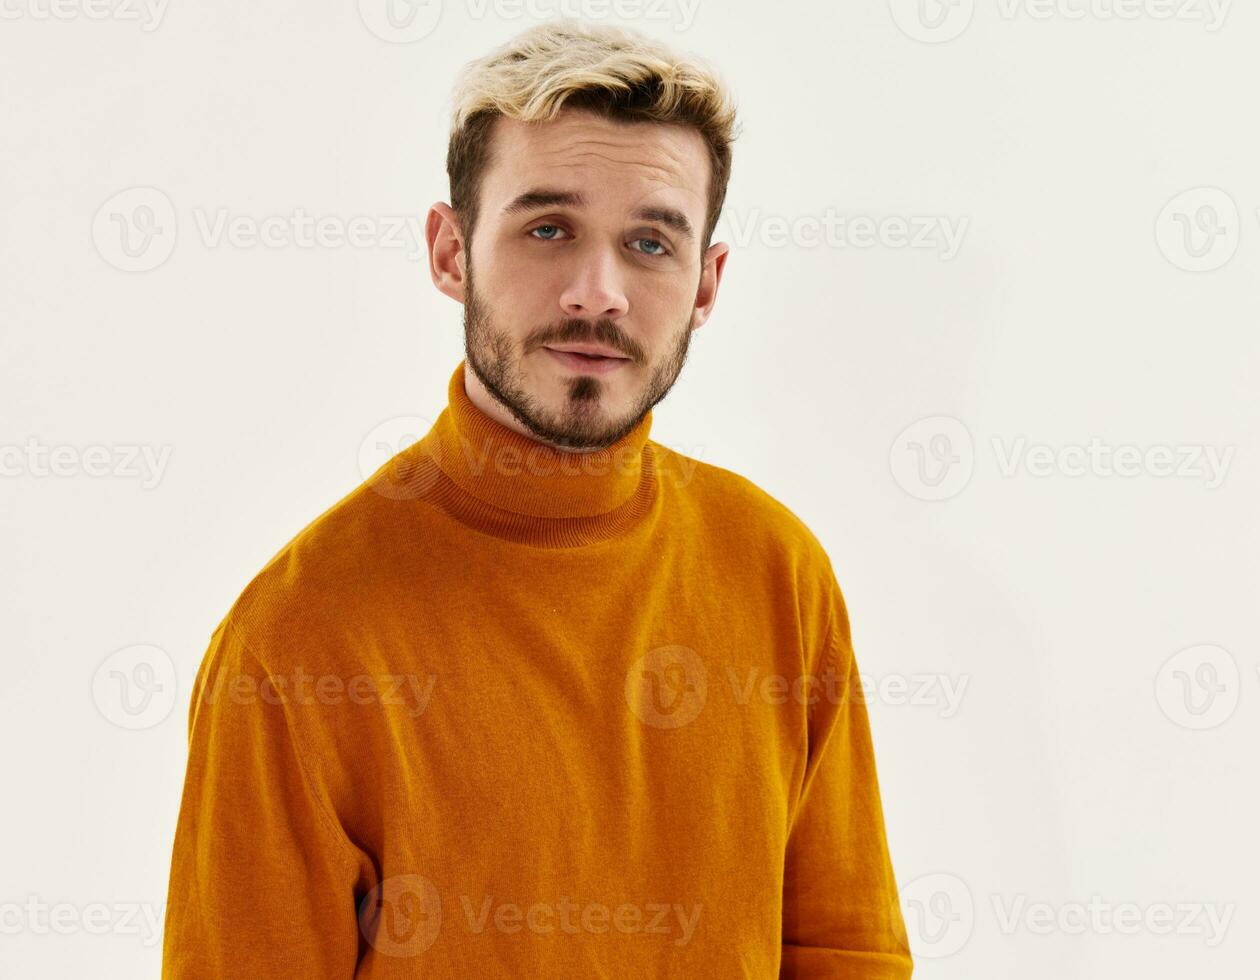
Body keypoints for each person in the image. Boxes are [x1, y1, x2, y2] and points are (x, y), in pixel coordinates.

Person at [162, 18, 912, 978]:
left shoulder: (777, 569)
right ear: (451, 252)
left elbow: (844, 953)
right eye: (548, 229)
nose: (596, 294)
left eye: (650, 242)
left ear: (705, 285)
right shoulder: (297, 639)